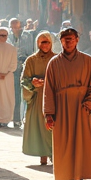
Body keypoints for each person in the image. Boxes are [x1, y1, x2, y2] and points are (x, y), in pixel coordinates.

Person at [43, 27, 91, 180]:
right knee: (63, 145)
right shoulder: (53, 63)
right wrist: (49, 114)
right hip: (61, 109)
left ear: (77, 40)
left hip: (81, 109)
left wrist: (89, 106)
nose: (68, 42)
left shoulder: (87, 61)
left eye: (71, 38)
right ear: (60, 41)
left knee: (81, 144)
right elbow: (48, 90)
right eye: (64, 39)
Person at [21, 31, 55, 164]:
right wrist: (33, 84)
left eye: (47, 42)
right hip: (37, 97)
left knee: (53, 125)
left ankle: (54, 153)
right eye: (42, 42)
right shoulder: (31, 60)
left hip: (53, 97)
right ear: (38, 43)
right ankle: (43, 155)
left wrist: (48, 82)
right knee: (40, 126)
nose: (45, 45)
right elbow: (24, 80)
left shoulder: (57, 59)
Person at [9, 17, 34, 128]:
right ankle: (16, 118)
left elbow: (29, 51)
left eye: (16, 27)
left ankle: (25, 117)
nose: (14, 29)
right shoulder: (8, 35)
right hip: (12, 69)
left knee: (26, 93)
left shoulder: (27, 35)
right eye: (12, 27)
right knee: (14, 94)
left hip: (24, 67)